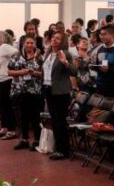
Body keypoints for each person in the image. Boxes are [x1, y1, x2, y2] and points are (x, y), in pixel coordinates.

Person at [8, 35, 44, 151]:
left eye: (31, 43)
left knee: (35, 116)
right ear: (23, 44)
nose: (29, 45)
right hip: (19, 90)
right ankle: (24, 139)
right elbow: (8, 71)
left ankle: (37, 140)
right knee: (22, 116)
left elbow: (43, 73)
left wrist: (34, 73)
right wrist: (21, 72)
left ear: (35, 44)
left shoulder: (39, 57)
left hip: (34, 91)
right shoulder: (16, 56)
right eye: (27, 43)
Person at [43, 32, 75, 160]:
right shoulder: (48, 54)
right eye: (53, 37)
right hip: (48, 89)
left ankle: (63, 150)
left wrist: (65, 63)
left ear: (62, 41)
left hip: (61, 92)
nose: (54, 40)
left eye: (58, 38)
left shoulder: (65, 54)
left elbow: (74, 71)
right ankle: (58, 148)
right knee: (54, 120)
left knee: (60, 121)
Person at [93, 25, 114, 98]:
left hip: (113, 87)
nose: (101, 37)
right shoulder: (100, 49)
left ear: (111, 35)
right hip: (100, 85)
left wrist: (109, 69)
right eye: (100, 35)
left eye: (104, 34)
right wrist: (94, 67)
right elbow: (98, 64)